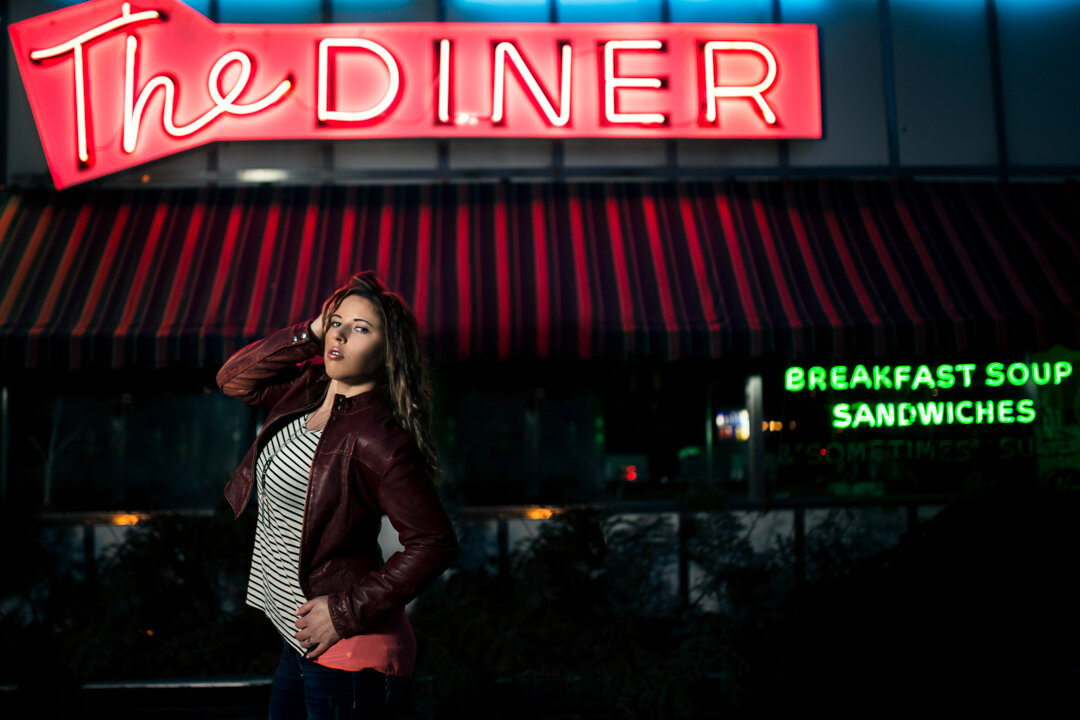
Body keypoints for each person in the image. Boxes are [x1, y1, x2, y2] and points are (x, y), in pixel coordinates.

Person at [217, 271, 459, 720]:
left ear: (389, 351)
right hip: (299, 643)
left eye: (361, 329)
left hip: (350, 650)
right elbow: (234, 380)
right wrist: (308, 332)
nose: (341, 335)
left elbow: (435, 542)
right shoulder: (307, 390)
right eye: (337, 323)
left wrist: (345, 612)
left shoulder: (380, 438)